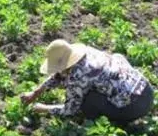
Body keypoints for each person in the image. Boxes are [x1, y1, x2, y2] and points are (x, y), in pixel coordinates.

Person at [21, 39, 154, 124]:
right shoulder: (89, 52)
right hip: (146, 89)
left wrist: (44, 109)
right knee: (116, 57)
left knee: (86, 103)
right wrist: (36, 92)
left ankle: (121, 119)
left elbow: (69, 110)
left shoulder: (77, 77)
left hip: (135, 107)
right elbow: (59, 76)